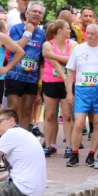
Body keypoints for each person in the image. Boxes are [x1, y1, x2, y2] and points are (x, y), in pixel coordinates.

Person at [64, 24, 98, 168]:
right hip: (82, 90)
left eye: (92, 34)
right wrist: (69, 92)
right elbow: (70, 70)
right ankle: (74, 154)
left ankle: (92, 154)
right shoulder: (79, 49)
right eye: (88, 33)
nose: (89, 36)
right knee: (79, 123)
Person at [6, 1, 46, 131]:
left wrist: (40, 82)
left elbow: (41, 60)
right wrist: (27, 33)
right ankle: (9, 137)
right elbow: (16, 47)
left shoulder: (42, 34)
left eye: (40, 13)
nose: (37, 14)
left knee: (27, 110)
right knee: (13, 108)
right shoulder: (16, 28)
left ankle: (21, 138)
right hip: (14, 74)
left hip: (31, 77)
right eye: (34, 11)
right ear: (27, 13)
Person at [41, 20, 77, 157]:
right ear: (60, 31)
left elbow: (72, 60)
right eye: (68, 28)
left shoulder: (72, 44)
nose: (70, 31)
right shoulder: (47, 44)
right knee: (50, 115)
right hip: (51, 82)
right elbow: (56, 65)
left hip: (68, 83)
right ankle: (48, 145)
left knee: (67, 116)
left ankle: (69, 146)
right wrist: (66, 78)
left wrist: (52, 54)